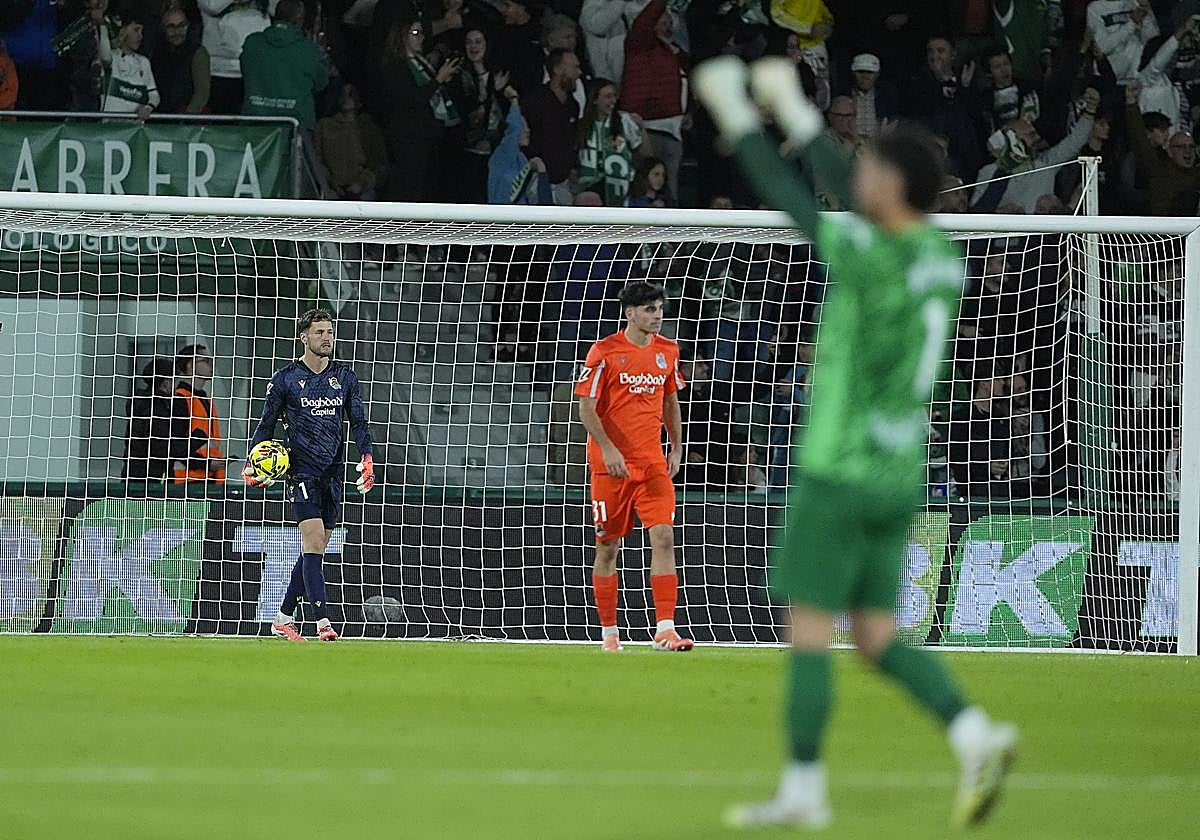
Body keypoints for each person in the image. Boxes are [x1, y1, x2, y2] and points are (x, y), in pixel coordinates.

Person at [695, 55, 1017, 830]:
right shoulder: (938, 258)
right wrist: (800, 116)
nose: (856, 178)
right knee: (872, 635)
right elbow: (847, 186)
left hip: (839, 469)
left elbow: (793, 202)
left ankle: (804, 789)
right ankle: (975, 735)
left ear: (891, 186)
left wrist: (739, 115)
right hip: (899, 472)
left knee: (808, 631)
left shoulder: (871, 260)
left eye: (870, 170)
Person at [574, 281, 693, 654]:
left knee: (664, 537)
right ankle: (610, 633)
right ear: (630, 313)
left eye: (660, 308)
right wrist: (608, 449)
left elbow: (670, 401)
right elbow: (586, 408)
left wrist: (676, 447)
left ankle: (665, 629)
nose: (657, 316)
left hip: (652, 464)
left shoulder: (668, 351)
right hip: (611, 467)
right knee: (608, 547)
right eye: (649, 309)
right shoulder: (604, 351)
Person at [245, 309, 376, 643]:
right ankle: (323, 622)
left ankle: (282, 618)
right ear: (304, 337)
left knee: (313, 550)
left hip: (334, 473)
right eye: (319, 332)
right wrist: (252, 462)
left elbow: (359, 422)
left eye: (329, 332)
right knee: (314, 540)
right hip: (301, 471)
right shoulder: (285, 379)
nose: (326, 338)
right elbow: (265, 425)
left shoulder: (345, 377)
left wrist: (367, 457)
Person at [378, 17, 462, 202]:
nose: (421, 38)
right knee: (409, 190)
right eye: (415, 33)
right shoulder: (395, 66)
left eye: (422, 33)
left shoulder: (421, 63)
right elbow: (412, 98)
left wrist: (442, 80)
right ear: (401, 36)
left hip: (428, 135)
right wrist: (438, 79)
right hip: (408, 138)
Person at [620, 0, 687, 199]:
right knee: (643, 190)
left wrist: (688, 112)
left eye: (669, 22)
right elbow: (644, 21)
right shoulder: (639, 44)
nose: (666, 26)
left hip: (672, 132)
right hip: (645, 129)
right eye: (661, 21)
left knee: (669, 194)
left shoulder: (674, 51)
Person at [240, 0, 328, 130]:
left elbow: (244, 71)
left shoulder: (252, 42)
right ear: (300, 19)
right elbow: (322, 83)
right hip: (296, 124)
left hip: (255, 121)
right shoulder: (309, 49)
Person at [1124, 80, 1200, 216]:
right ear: (1170, 151)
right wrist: (1131, 104)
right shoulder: (1158, 170)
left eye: (1191, 146)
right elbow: (1140, 141)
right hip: (1163, 228)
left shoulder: (1196, 174)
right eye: (1181, 147)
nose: (1187, 151)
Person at [522, 47, 582, 205]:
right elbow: (521, 137)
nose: (579, 73)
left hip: (563, 183)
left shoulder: (573, 105)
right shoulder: (535, 101)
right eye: (575, 67)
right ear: (557, 69)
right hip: (535, 181)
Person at [576, 78, 646, 206]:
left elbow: (644, 153)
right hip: (589, 193)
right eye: (608, 97)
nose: (613, 100)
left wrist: (642, 129)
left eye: (614, 96)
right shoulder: (581, 126)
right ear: (594, 99)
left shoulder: (624, 121)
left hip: (622, 189)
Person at [198, 0, 276, 114]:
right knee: (222, 120)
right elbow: (212, 6)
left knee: (255, 121)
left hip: (257, 69)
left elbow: (278, 8)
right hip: (220, 70)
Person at [317, 82, 388, 199]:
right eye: (342, 94)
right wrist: (330, 182)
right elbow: (317, 159)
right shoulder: (324, 125)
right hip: (330, 189)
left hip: (362, 190)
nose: (346, 98)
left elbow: (379, 163)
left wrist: (361, 183)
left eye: (351, 94)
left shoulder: (368, 127)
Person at [173, 343, 227, 483]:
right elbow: (176, 446)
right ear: (190, 365)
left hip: (209, 477)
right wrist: (206, 464)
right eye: (206, 361)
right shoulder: (180, 399)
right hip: (188, 480)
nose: (211, 365)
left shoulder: (205, 399)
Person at [488, 91, 552, 204]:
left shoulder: (521, 158)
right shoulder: (502, 154)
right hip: (502, 212)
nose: (528, 130)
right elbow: (515, 128)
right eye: (524, 126)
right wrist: (514, 99)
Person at [123, 357, 180, 481]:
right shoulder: (158, 407)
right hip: (154, 476)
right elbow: (160, 447)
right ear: (166, 383)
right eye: (175, 380)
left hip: (133, 473)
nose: (177, 386)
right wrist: (195, 440)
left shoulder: (139, 402)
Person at [151, 4, 211, 113]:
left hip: (185, 117)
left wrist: (187, 116)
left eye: (182, 25)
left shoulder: (198, 53)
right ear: (163, 28)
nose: (177, 31)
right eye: (171, 26)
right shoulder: (155, 52)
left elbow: (201, 93)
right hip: (158, 115)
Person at [101, 16, 159, 117]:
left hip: (134, 124)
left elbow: (154, 95)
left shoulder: (143, 62)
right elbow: (105, 57)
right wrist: (102, 26)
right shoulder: (112, 57)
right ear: (123, 31)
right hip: (109, 123)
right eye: (136, 30)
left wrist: (148, 108)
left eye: (141, 32)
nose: (140, 36)